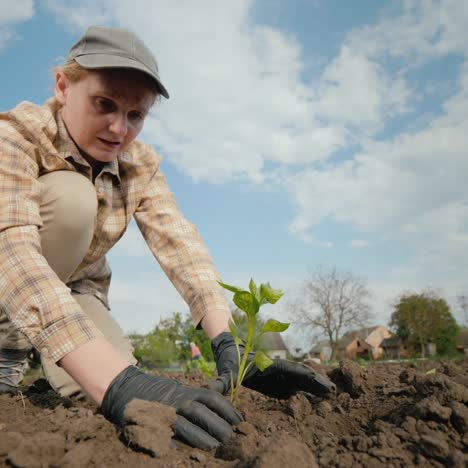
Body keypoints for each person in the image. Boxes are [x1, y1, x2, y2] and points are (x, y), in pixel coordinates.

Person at [0, 25, 335, 450]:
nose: (119, 129)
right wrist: (115, 383)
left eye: (135, 115)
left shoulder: (138, 163)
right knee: (72, 200)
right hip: (8, 274)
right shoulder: (14, 136)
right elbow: (12, 251)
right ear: (64, 86)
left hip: (74, 288)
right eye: (105, 104)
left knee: (119, 388)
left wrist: (229, 342)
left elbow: (180, 245)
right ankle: (7, 350)